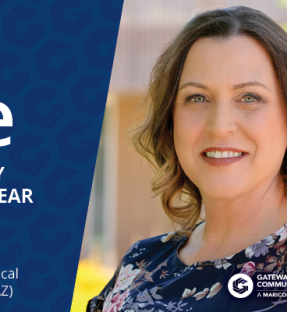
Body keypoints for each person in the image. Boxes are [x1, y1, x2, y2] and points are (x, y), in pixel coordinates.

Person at [87, 6, 287, 312]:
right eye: (197, 98)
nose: (220, 126)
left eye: (249, 97)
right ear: (171, 119)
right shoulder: (139, 266)